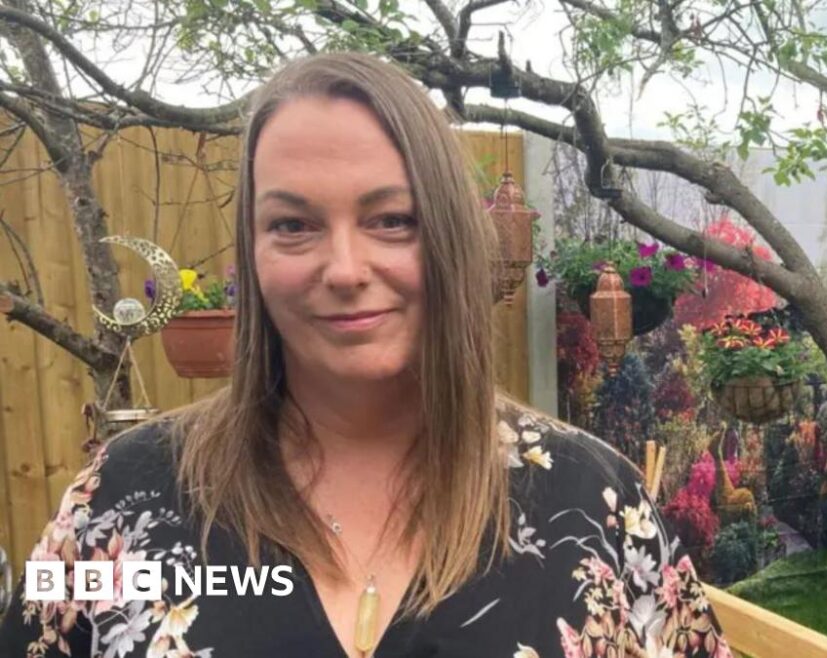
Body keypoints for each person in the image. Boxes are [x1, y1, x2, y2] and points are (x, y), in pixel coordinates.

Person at [0, 52, 729, 657]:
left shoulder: (595, 505)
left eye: (390, 220)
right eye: (293, 224)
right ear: (251, 253)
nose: (344, 269)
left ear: (447, 235)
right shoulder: (121, 504)